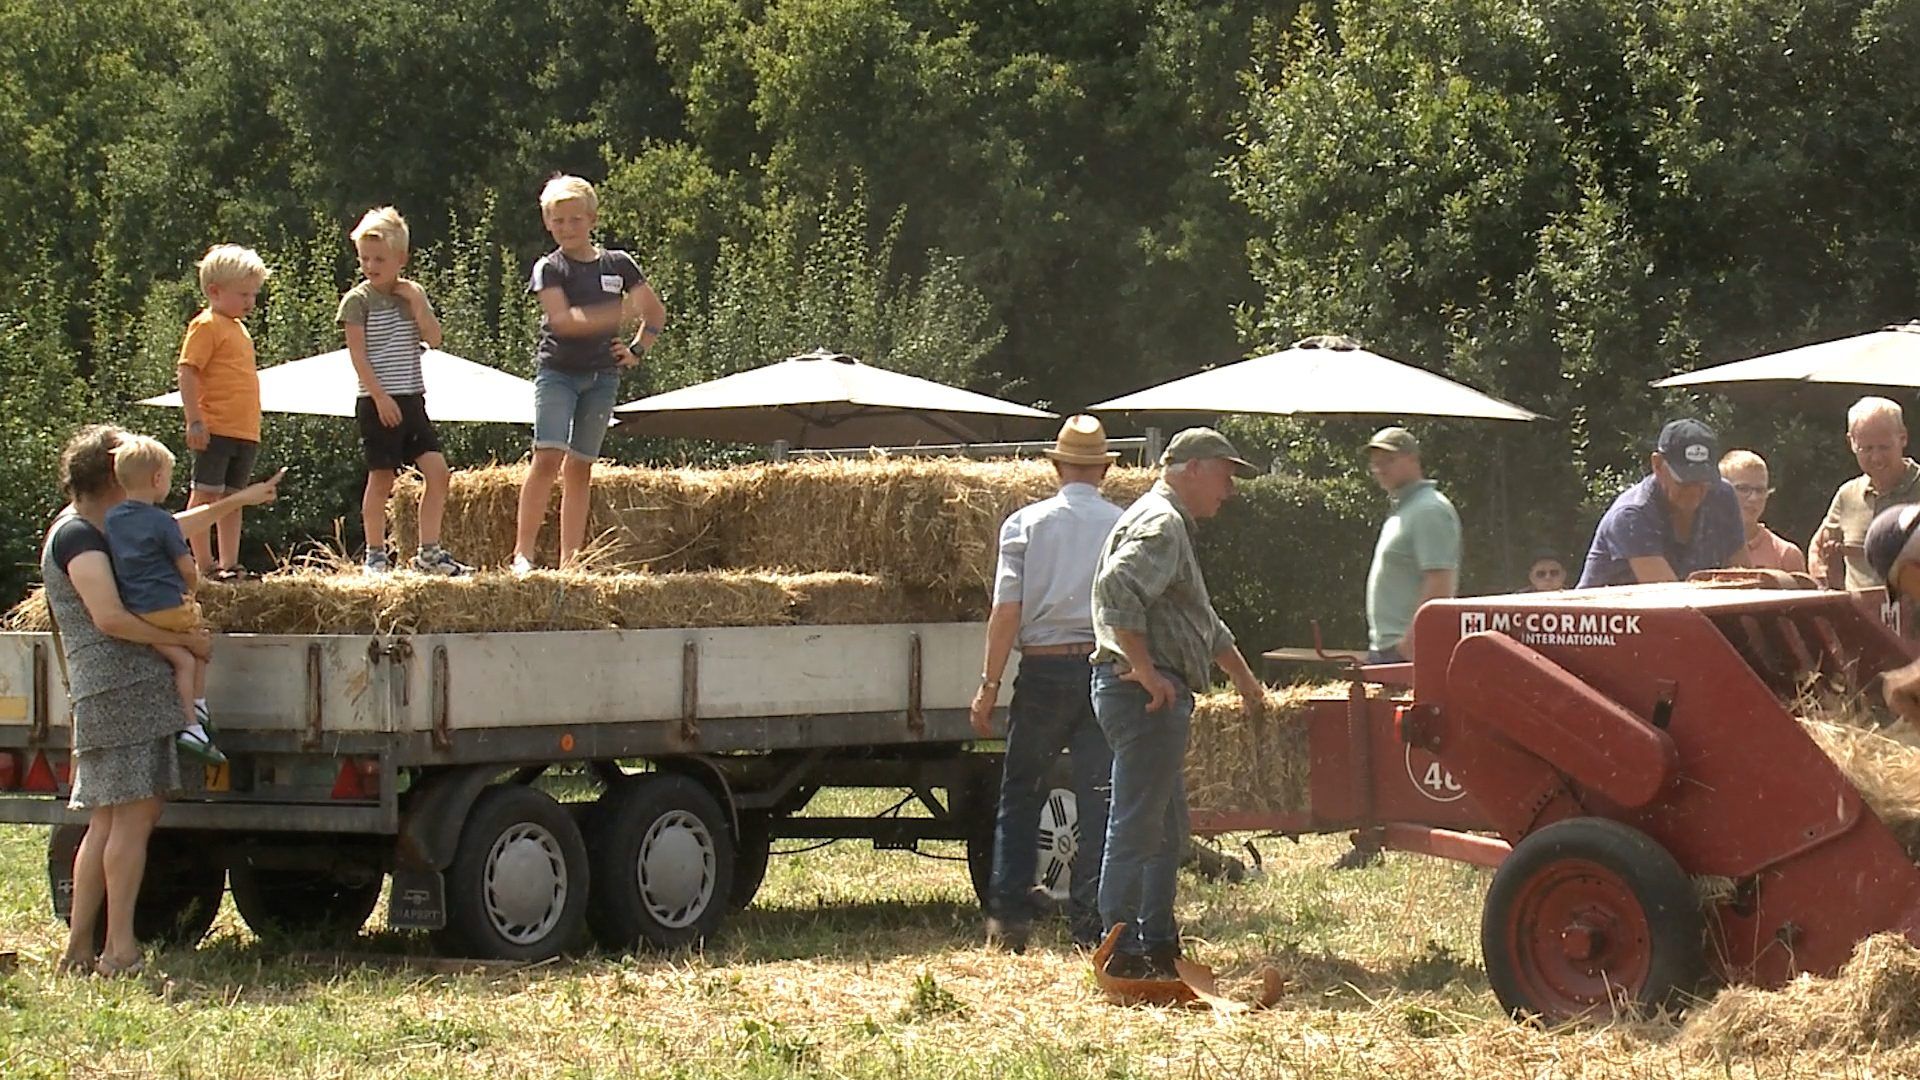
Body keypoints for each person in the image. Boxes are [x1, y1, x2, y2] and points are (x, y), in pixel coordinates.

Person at [45, 425, 281, 976]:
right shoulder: (80, 537)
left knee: (106, 823)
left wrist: (239, 500)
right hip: (120, 686)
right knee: (131, 820)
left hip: (111, 688)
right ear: (113, 473)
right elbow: (107, 617)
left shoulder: (92, 528)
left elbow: (165, 528)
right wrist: (183, 643)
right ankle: (119, 949)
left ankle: (81, 948)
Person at [1090, 427, 1265, 981]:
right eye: (1225, 474)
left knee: (1167, 831)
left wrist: (1245, 680)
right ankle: (1119, 951)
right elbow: (1117, 590)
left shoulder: (1165, 524)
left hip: (1150, 691)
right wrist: (1143, 668)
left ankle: (1159, 945)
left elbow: (1201, 622)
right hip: (1145, 694)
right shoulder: (1163, 524)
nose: (1230, 490)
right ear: (1190, 468)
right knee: (1140, 826)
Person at [969, 416, 1123, 953]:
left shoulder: (1023, 525)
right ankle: (1089, 923)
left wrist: (989, 682)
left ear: (1056, 467)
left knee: (1020, 794)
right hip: (1103, 669)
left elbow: (1006, 610)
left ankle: (1008, 920)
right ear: (1103, 470)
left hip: (1040, 669)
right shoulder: (1122, 524)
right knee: (1099, 797)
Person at [510, 175, 668, 574]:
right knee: (547, 455)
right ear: (547, 223)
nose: (567, 228)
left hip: (601, 377)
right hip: (558, 372)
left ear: (592, 219)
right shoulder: (549, 268)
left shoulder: (618, 264)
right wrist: (617, 313)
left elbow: (655, 313)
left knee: (580, 466)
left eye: (575, 220)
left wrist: (635, 350)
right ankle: (523, 553)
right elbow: (563, 322)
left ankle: (572, 561)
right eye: (558, 221)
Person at [338, 206, 470, 576]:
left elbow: (435, 338)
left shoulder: (411, 296)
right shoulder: (357, 301)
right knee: (382, 478)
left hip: (413, 397)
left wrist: (418, 303)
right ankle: (376, 555)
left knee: (438, 471)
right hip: (377, 400)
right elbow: (358, 356)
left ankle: (429, 552)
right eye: (365, 258)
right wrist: (379, 397)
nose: (370, 265)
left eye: (379, 258)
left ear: (401, 258)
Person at [100, 435, 224, 765]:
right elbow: (187, 567)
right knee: (199, 646)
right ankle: (195, 710)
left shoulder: (110, 520)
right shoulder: (163, 522)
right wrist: (193, 588)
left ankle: (192, 722)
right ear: (158, 480)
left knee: (181, 660)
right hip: (169, 605)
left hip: (136, 611)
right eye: (168, 477)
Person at [177, 243, 270, 580]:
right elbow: (188, 371)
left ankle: (230, 564)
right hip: (215, 427)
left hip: (244, 430)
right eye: (243, 294)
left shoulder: (239, 329)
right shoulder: (207, 325)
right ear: (215, 291)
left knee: (234, 499)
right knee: (206, 495)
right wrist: (195, 420)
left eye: (253, 294)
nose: (250, 302)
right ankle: (204, 564)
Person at [1577, 419, 1745, 588]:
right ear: (1657, 465)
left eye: (1703, 480)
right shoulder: (1632, 516)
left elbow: (1745, 580)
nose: (1694, 491)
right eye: (1684, 482)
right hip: (1617, 611)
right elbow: (1670, 600)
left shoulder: (1722, 496)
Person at [1362, 427, 1460, 663]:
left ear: (1413, 459)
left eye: (1389, 460)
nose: (1380, 469)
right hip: (1389, 647)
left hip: (1408, 651)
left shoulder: (1430, 509)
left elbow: (1440, 581)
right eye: (1375, 463)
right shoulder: (1406, 508)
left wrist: (1412, 643)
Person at [1810, 397, 1920, 590]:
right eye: (1866, 449)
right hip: (1860, 616)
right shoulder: (1848, 496)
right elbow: (1818, 548)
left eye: (1884, 447)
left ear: (1903, 438)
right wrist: (1822, 575)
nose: (1876, 458)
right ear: (1851, 442)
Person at [1719, 449, 1806, 574]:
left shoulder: (1785, 554)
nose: (1753, 498)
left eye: (1760, 490)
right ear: (1722, 491)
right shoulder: (1700, 547)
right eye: (1743, 488)